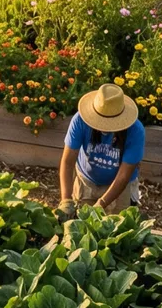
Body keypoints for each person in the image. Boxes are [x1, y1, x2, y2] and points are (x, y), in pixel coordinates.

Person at [59, 84, 145, 215]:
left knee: (117, 228)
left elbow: (123, 176)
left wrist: (102, 203)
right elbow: (68, 162)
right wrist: (65, 200)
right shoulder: (80, 120)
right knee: (81, 226)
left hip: (119, 187)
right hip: (86, 181)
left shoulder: (135, 131)